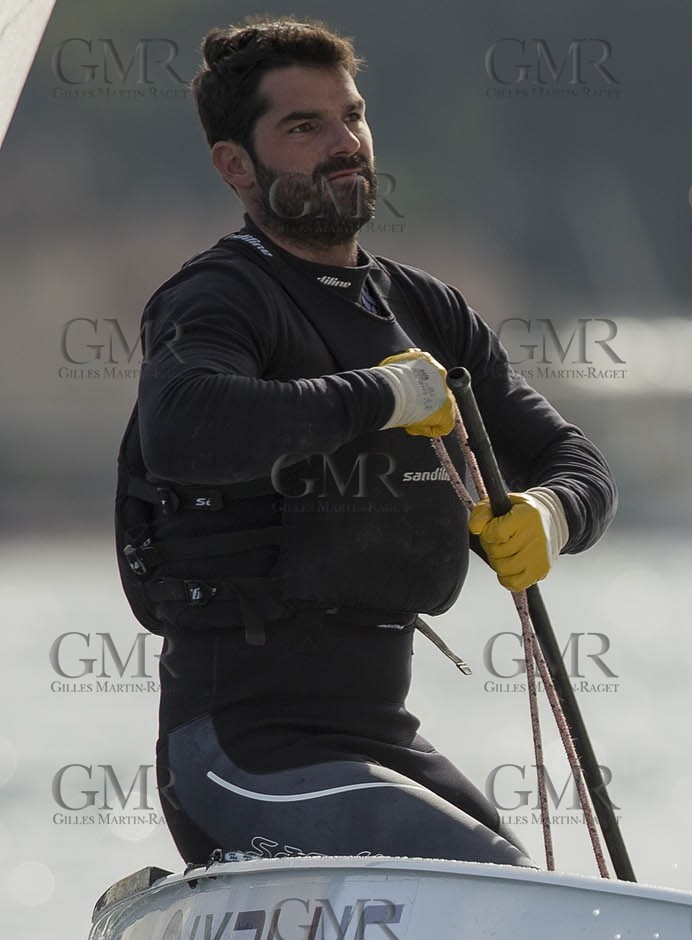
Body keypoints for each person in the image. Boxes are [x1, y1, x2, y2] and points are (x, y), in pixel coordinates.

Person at [116, 17, 617, 868]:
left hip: (381, 733)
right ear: (236, 165)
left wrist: (548, 514)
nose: (344, 145)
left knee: (530, 895)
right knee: (481, 883)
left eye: (352, 117)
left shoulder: (428, 311)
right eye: (304, 128)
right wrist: (385, 394)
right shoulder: (219, 299)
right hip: (242, 747)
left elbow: (577, 463)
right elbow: (185, 424)